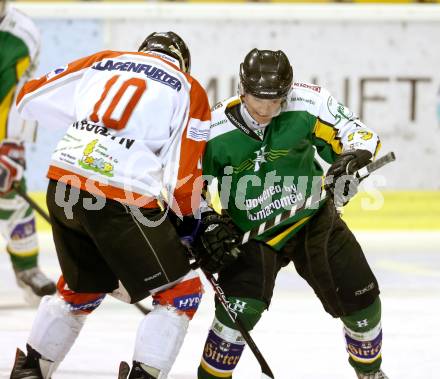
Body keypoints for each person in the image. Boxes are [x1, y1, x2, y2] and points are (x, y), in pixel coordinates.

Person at [10, 31, 211, 379]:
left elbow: (27, 96)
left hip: (62, 182)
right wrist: (192, 223)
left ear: (142, 52)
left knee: (83, 286)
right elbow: (183, 178)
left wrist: (87, 130)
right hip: (121, 195)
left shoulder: (103, 60)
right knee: (181, 290)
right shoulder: (187, 86)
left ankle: (29, 371)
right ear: (183, 62)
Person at [193, 48, 387, 379]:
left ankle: (370, 372)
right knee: (234, 320)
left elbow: (361, 135)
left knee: (362, 297)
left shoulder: (307, 103)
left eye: (276, 98)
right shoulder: (213, 128)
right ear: (242, 89)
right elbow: (190, 186)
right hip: (249, 232)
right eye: (259, 99)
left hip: (311, 218)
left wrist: (351, 160)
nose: (268, 108)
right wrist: (207, 222)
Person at [0, 0, 56, 304]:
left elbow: (20, 93)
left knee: (11, 195)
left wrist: (13, 145)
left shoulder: (23, 34)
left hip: (2, 130)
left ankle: (27, 268)